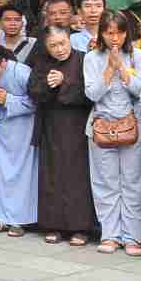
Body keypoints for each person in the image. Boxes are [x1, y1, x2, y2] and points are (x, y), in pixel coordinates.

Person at [83, 11, 141, 256]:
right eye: (109, 32)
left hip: (133, 125)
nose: (114, 37)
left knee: (134, 182)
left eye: (119, 32)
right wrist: (108, 70)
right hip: (101, 125)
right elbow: (92, 94)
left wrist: (121, 67)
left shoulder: (139, 56)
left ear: (126, 32)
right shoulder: (91, 58)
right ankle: (110, 234)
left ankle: (133, 237)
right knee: (105, 182)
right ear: (101, 33)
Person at [27, 25, 94, 247]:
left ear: (70, 40)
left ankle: (80, 227)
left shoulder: (84, 59)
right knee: (51, 174)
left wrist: (65, 82)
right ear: (46, 47)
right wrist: (48, 83)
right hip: (51, 127)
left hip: (77, 126)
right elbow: (33, 92)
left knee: (77, 177)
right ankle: (53, 225)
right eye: (53, 45)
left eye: (63, 43)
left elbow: (90, 93)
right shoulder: (42, 63)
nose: (59, 49)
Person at [0, 44, 37, 237]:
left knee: (21, 175)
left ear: (3, 62)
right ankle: (0, 217)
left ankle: (19, 220)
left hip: (24, 128)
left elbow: (36, 101)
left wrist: (9, 100)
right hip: (2, 126)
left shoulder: (21, 72)